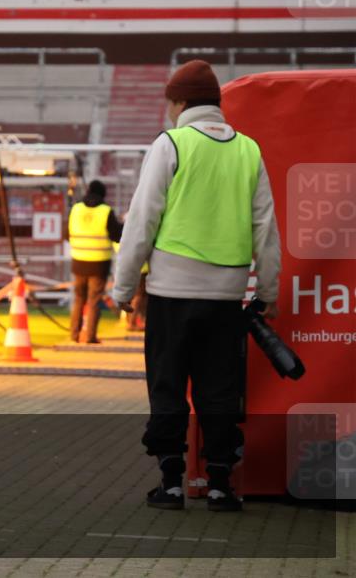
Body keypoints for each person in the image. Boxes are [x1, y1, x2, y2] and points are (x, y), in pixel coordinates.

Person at [113, 59, 281, 513]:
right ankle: (222, 483)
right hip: (227, 294)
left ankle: (171, 482)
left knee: (168, 384)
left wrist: (123, 286)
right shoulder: (248, 149)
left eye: (170, 103)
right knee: (219, 388)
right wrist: (268, 291)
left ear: (181, 102)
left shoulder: (171, 144)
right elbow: (266, 227)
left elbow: (142, 220)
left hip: (171, 291)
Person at [65, 180, 122, 344]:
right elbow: (116, 235)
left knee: (79, 300)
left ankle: (74, 334)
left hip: (78, 262)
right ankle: (90, 335)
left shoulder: (75, 209)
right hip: (99, 264)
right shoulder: (106, 211)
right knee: (94, 301)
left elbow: (66, 233)